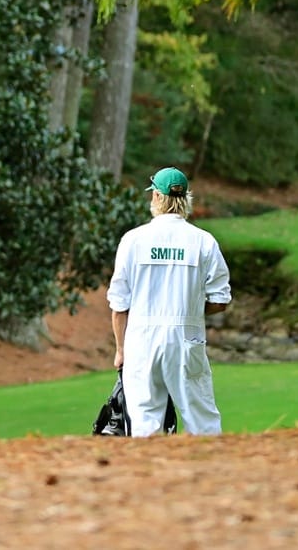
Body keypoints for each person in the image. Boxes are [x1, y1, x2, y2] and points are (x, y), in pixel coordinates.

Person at [107, 166, 231, 437]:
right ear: (186, 199)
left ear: (156, 198)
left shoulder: (133, 240)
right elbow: (220, 300)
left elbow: (119, 305)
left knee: (144, 424)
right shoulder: (204, 242)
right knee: (203, 423)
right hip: (187, 337)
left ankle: (149, 477)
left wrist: (120, 349)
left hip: (141, 339)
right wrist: (193, 309)